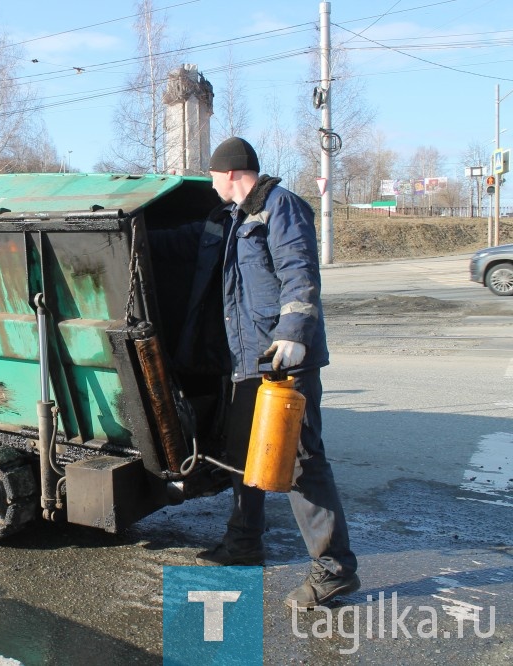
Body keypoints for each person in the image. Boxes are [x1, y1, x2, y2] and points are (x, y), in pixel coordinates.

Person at [192, 137, 360, 610]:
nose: (211, 184)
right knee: (245, 453)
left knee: (303, 462)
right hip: (251, 361)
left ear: (228, 174)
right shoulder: (237, 216)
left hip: (285, 360)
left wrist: (292, 331)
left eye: (211, 176)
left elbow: (300, 271)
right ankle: (244, 542)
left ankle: (334, 572)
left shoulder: (280, 207)